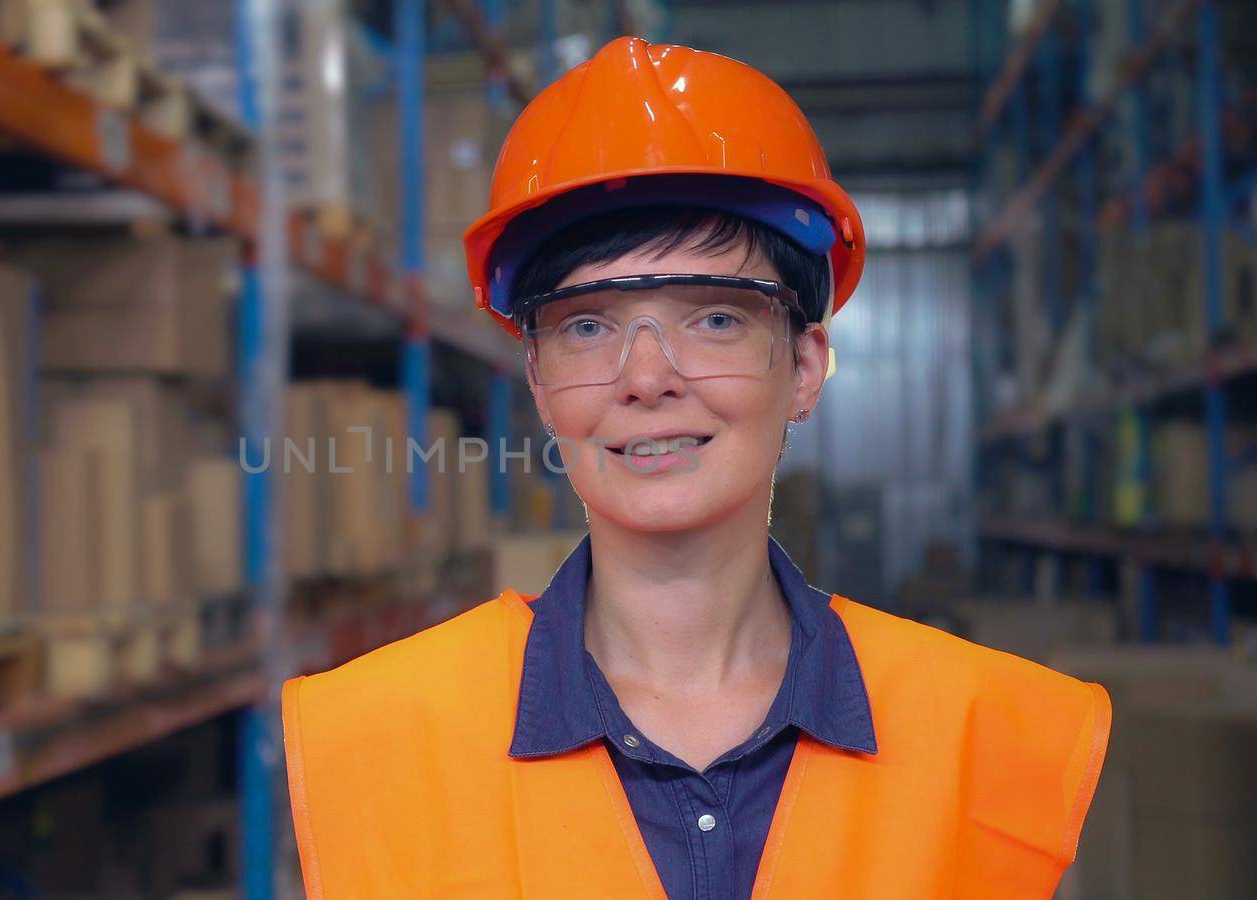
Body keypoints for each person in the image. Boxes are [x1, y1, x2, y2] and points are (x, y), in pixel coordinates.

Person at [281, 37, 1111, 899]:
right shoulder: (376, 737)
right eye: (587, 326)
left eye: (714, 319)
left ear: (804, 368)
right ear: (538, 381)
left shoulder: (992, 738)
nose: (646, 379)